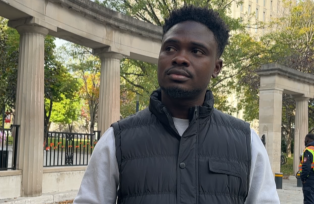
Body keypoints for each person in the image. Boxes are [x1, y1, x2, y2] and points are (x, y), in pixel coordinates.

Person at [74, 5, 279, 204]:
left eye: (197, 51)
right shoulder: (117, 139)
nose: (180, 58)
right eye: (170, 48)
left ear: (216, 68)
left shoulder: (246, 142)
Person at [299, 134, 314, 204]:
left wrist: (303, 178)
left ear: (307, 140)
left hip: (310, 179)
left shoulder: (308, 150)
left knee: (309, 201)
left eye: (305, 140)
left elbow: (306, 166)